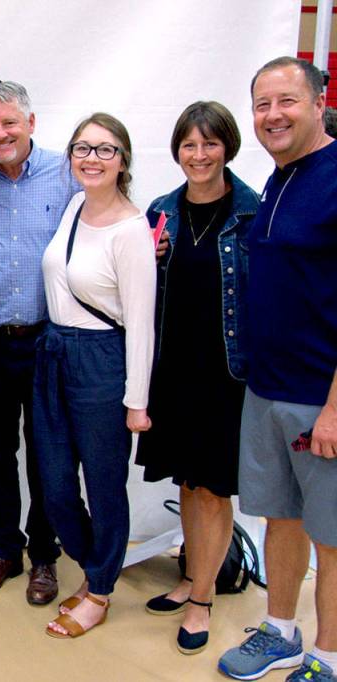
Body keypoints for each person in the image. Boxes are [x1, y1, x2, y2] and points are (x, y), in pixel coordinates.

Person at [217, 57, 337, 682]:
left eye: (286, 101)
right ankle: (282, 632)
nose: (272, 116)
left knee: (332, 536)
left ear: (320, 102)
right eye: (262, 104)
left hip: (321, 396)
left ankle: (328, 655)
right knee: (280, 518)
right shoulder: (277, 180)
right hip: (266, 389)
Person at [135, 101, 259, 656]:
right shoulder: (162, 210)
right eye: (189, 145)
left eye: (210, 144)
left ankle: (203, 597)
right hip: (175, 368)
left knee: (212, 487)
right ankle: (193, 576)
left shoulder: (252, 211)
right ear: (177, 151)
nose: (199, 154)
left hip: (225, 373)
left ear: (227, 147)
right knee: (186, 481)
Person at [35, 112, 155, 639]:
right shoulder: (75, 205)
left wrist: (137, 400)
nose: (91, 158)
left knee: (105, 485)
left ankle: (101, 589)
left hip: (103, 359)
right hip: (53, 351)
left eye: (105, 150)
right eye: (83, 148)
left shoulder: (132, 230)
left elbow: (141, 324)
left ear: (122, 160)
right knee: (55, 484)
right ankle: (92, 565)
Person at [0, 82, 78, 605]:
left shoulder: (67, 171)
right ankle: (4, 551)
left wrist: (151, 237)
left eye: (9, 123)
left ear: (31, 123)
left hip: (46, 341)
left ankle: (45, 557)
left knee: (46, 455)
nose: (0, 134)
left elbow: (112, 215)